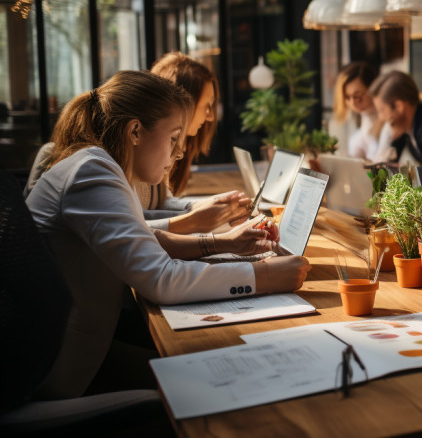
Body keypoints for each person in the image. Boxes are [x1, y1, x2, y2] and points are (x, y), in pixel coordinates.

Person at [26, 71, 310, 399]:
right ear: (135, 131)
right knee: (224, 388)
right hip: (57, 372)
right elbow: (161, 280)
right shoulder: (92, 172)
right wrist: (263, 276)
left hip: (68, 351)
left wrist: (223, 243)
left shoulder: (99, 165)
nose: (177, 153)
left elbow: (142, 236)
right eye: (174, 138)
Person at [147, 52, 250, 233]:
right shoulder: (146, 154)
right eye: (206, 106)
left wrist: (210, 205)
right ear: (182, 102)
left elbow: (160, 203)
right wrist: (199, 219)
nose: (210, 116)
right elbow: (139, 225)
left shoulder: (175, 147)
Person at [331, 61, 392, 162]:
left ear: (373, 88)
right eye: (347, 97)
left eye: (358, 96)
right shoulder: (365, 116)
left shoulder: (388, 117)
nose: (353, 103)